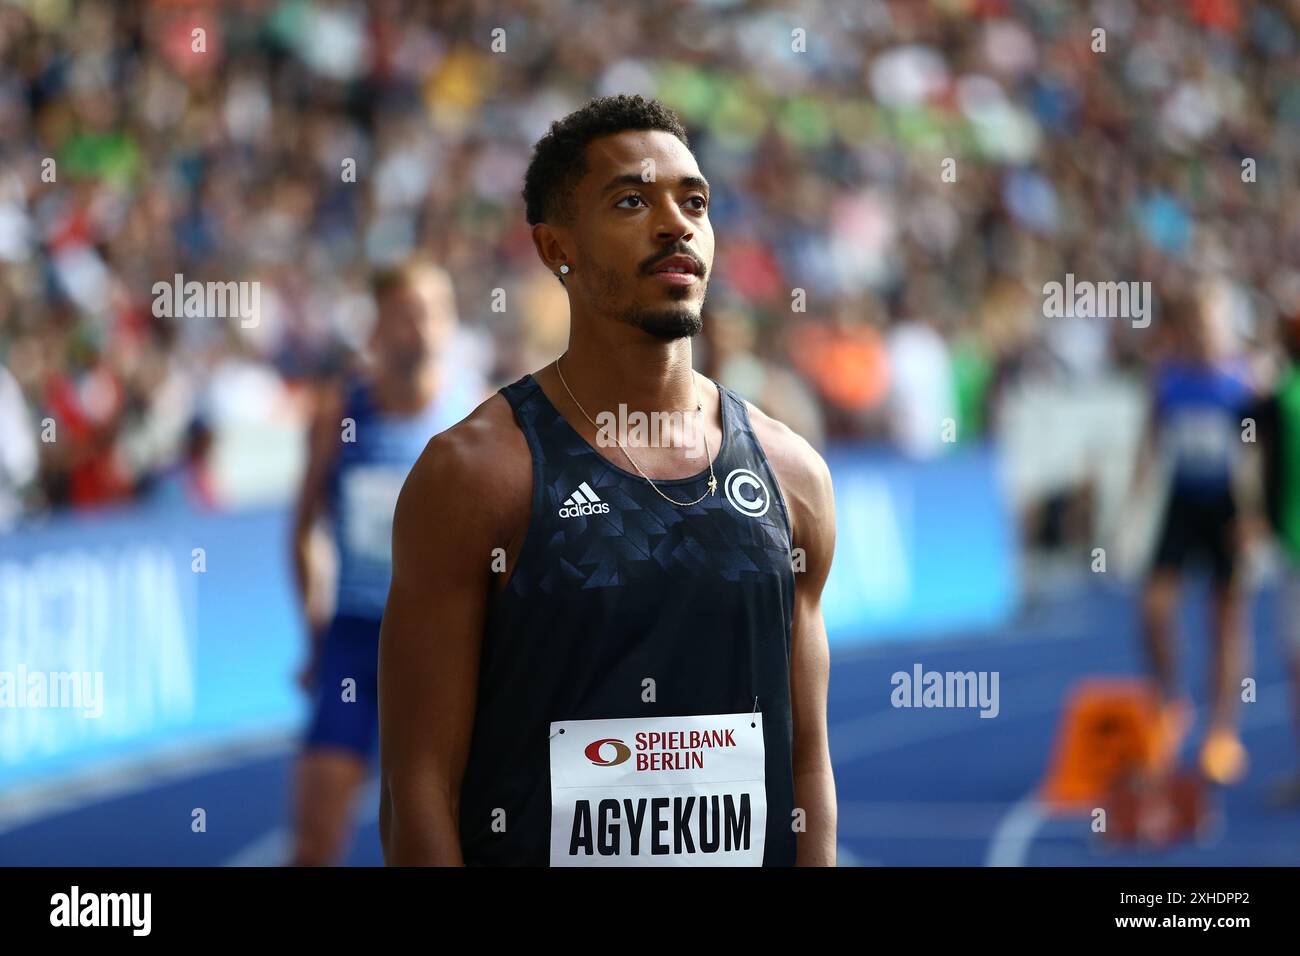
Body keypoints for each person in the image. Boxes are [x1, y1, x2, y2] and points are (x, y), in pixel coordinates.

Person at [378, 94, 837, 866]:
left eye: (694, 201)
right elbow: (419, 789)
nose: (675, 224)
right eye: (631, 200)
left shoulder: (792, 475)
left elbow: (806, 770)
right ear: (555, 246)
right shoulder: (476, 476)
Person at [289, 259, 478, 865]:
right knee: (315, 835)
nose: (421, 329)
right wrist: (316, 631)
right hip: (355, 637)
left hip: (440, 648)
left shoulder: (478, 420)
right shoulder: (340, 417)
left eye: (434, 314)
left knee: (436, 838)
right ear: (376, 328)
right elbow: (303, 529)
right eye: (406, 316)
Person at [1134, 293, 1256, 785]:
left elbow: (1252, 451)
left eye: (1214, 327)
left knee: (1224, 619)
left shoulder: (1241, 384)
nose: (1206, 336)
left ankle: (1223, 732)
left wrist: (1250, 514)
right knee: (1154, 608)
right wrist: (1130, 509)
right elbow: (1149, 442)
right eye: (1198, 326)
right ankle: (1169, 703)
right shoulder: (1168, 381)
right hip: (1181, 506)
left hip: (1225, 507)